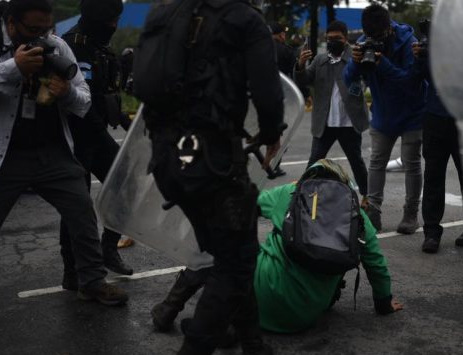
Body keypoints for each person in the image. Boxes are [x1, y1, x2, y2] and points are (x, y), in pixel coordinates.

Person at [0, 0, 128, 335]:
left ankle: (90, 281)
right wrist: (13, 66)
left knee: (81, 211)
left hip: (51, 152)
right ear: (12, 23)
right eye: (34, 30)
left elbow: (84, 98)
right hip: (2, 157)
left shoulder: (55, 43)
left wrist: (64, 93)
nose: (43, 35)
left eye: (46, 28)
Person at [145, 0, 284, 355]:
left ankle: (254, 347)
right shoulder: (245, 19)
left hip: (168, 158)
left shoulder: (164, 14)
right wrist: (272, 131)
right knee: (236, 262)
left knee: (232, 251)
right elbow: (267, 92)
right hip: (214, 163)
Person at [151, 159, 403, 335]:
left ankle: (170, 309)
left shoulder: (292, 193)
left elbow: (243, 207)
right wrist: (384, 304)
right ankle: (231, 324)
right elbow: (377, 266)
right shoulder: (356, 214)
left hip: (259, 299)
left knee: (218, 250)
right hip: (304, 318)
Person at [58, 0, 133, 290]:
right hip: (74, 137)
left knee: (125, 184)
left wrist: (131, 123)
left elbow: (109, 95)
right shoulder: (69, 47)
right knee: (76, 205)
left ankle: (108, 247)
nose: (114, 26)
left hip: (98, 133)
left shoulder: (103, 48)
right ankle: (71, 270)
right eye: (110, 21)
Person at [344, 4, 424, 234]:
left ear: (389, 28)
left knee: (412, 164)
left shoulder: (408, 41)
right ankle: (373, 212)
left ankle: (410, 213)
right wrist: (355, 62)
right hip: (382, 113)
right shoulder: (364, 41)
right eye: (371, 36)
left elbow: (411, 82)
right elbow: (349, 79)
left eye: (379, 36)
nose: (375, 40)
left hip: (412, 112)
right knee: (376, 163)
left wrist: (384, 64)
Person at [296, 20, 370, 202]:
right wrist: (300, 65)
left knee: (357, 162)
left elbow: (368, 77)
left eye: (337, 38)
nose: (333, 41)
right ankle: (300, 197)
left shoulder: (356, 57)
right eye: (329, 38)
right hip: (325, 123)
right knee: (314, 162)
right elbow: (304, 80)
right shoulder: (320, 60)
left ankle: (368, 197)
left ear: (345, 39)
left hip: (349, 123)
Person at [412, 26, 463, 253]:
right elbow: (417, 76)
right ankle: (431, 233)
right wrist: (420, 57)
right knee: (433, 176)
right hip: (435, 120)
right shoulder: (434, 47)